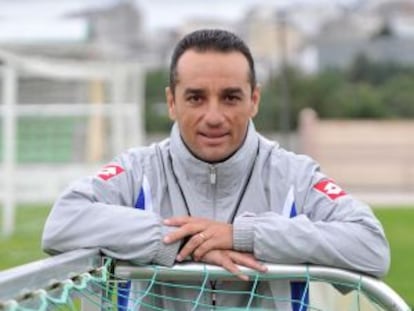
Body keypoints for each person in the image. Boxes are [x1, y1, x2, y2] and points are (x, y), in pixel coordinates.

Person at [42, 29, 390, 310]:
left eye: (230, 97)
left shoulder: (293, 175)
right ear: (171, 102)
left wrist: (245, 236)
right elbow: (63, 222)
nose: (213, 116)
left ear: (254, 99)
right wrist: (186, 242)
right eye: (195, 97)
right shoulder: (138, 169)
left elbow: (371, 245)